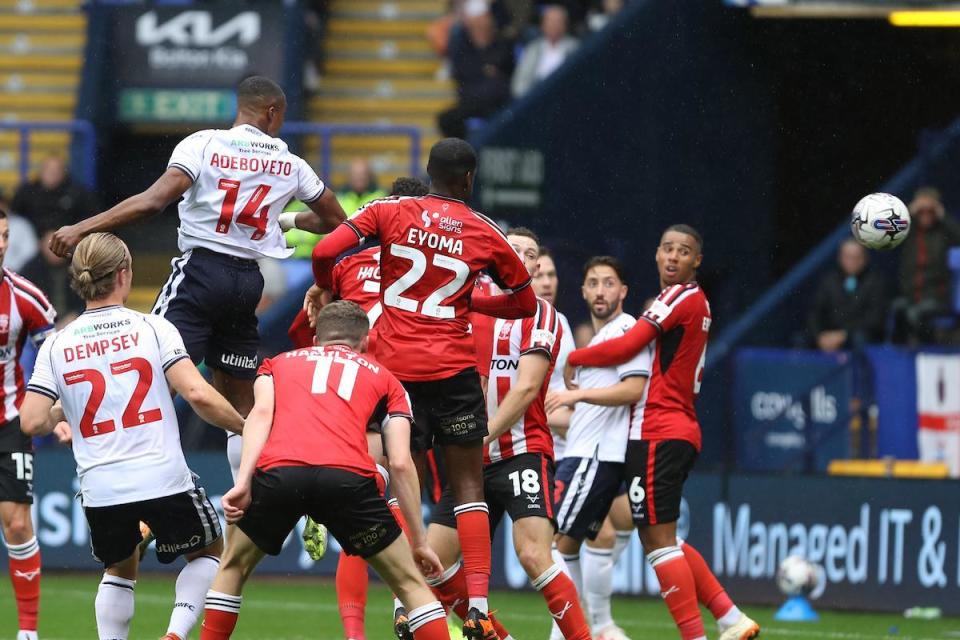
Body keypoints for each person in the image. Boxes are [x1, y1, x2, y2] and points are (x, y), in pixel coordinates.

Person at [48, 76, 347, 481]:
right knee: (240, 398)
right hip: (247, 282)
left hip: (200, 273)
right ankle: (252, 495)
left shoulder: (204, 144)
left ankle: (134, 482)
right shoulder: (291, 164)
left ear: (240, 108)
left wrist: (82, 227)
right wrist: (282, 218)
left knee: (150, 374)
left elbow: (153, 201)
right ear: (273, 113)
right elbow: (335, 220)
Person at [309, 138, 536, 639]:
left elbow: (325, 248)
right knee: (468, 487)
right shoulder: (484, 230)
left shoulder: (389, 210)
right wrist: (472, 306)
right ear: (470, 179)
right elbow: (525, 303)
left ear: (427, 170)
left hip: (394, 374)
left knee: (388, 479)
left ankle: (403, 600)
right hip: (453, 372)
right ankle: (477, 604)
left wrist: (325, 287)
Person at [19, 233, 245, 640]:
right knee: (209, 554)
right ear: (124, 274)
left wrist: (64, 411)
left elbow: (32, 421)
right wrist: (246, 428)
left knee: (119, 568)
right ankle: (175, 635)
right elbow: (195, 393)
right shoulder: (153, 328)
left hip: (101, 487)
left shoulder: (57, 344)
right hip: (162, 476)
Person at [197, 301, 451, 640]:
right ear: (367, 341)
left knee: (232, 566)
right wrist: (419, 542)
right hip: (349, 480)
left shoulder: (277, 364)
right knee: (409, 584)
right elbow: (402, 462)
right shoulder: (390, 382)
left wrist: (243, 481)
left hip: (280, 475)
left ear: (315, 339)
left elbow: (259, 417)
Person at [565, 225, 760, 640]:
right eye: (668, 249)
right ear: (656, 254)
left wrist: (575, 358)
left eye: (684, 251)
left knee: (659, 544)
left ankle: (695, 635)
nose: (674, 257)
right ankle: (730, 618)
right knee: (662, 536)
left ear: (697, 262)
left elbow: (626, 346)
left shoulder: (678, 296)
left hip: (658, 428)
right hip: (675, 427)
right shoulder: (696, 302)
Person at [428, 227, 591, 640]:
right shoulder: (465, 306)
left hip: (521, 450)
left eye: (529, 253)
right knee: (431, 563)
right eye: (513, 248)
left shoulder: (543, 315)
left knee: (535, 555)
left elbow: (526, 388)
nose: (520, 256)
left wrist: (480, 437)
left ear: (535, 267)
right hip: (470, 458)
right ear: (496, 255)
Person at [288, 176, 430, 640]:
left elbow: (311, 321)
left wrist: (318, 291)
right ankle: (404, 605)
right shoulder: (428, 258)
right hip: (396, 380)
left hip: (348, 386)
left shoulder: (348, 259)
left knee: (362, 501)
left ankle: (355, 633)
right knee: (398, 492)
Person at [544, 256, 649, 640]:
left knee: (552, 546)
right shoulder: (600, 338)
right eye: (593, 283)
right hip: (583, 453)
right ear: (584, 291)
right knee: (568, 546)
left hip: (592, 457)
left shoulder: (627, 330)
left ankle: (586, 629)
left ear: (623, 291)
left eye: (609, 283)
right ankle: (595, 627)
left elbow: (633, 389)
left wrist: (580, 393)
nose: (600, 290)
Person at [0, 208, 56, 640]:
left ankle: (28, 632)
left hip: (10, 422)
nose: (1, 244)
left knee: (18, 523)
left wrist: (56, 411)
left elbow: (54, 355)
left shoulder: (25, 296)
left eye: (4, 236)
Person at [284, 158, 388, 260]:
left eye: (362, 174)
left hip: (369, 255)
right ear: (349, 176)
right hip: (335, 256)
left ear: (369, 176)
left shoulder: (382, 198)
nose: (359, 178)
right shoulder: (338, 197)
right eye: (355, 175)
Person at [894, 186, 960, 344]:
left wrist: (941, 214)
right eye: (921, 211)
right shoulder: (910, 233)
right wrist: (908, 212)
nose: (925, 215)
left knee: (916, 314)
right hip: (909, 295)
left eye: (929, 211)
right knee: (897, 309)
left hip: (936, 297)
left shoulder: (943, 232)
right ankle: (897, 359)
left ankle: (918, 353)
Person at [438, 7, 515, 138]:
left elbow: (507, 72)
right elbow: (461, 74)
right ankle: (464, 150)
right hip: (471, 100)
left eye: (484, 25)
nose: (481, 29)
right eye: (477, 26)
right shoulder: (464, 49)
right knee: (446, 119)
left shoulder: (502, 45)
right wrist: (486, 72)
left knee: (506, 119)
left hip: (497, 102)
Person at [532, 247, 575, 459]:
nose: (547, 283)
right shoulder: (512, 325)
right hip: (537, 450)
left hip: (570, 448)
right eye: (539, 276)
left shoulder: (562, 322)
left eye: (552, 275)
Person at [808, 239, 886, 351]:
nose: (851, 261)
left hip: (855, 335)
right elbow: (814, 312)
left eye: (856, 257)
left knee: (860, 338)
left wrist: (844, 335)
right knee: (802, 339)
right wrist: (820, 336)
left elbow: (875, 319)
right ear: (840, 258)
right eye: (847, 257)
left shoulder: (876, 282)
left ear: (865, 259)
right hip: (829, 335)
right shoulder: (829, 281)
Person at [511, 5, 579, 98]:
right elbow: (519, 83)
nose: (553, 26)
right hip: (535, 97)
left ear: (565, 25)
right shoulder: (533, 48)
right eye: (550, 22)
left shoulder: (574, 47)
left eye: (557, 22)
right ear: (543, 25)